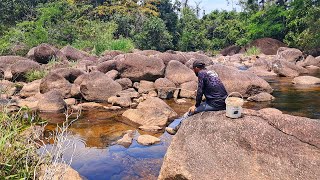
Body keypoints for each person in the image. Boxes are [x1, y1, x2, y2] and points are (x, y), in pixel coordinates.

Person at [166, 60, 228, 135]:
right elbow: (213, 87)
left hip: (216, 104)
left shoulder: (201, 73)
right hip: (225, 101)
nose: (194, 71)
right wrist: (200, 91)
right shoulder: (211, 72)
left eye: (193, 69)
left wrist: (196, 106)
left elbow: (200, 91)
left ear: (196, 68)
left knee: (189, 112)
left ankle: (175, 130)